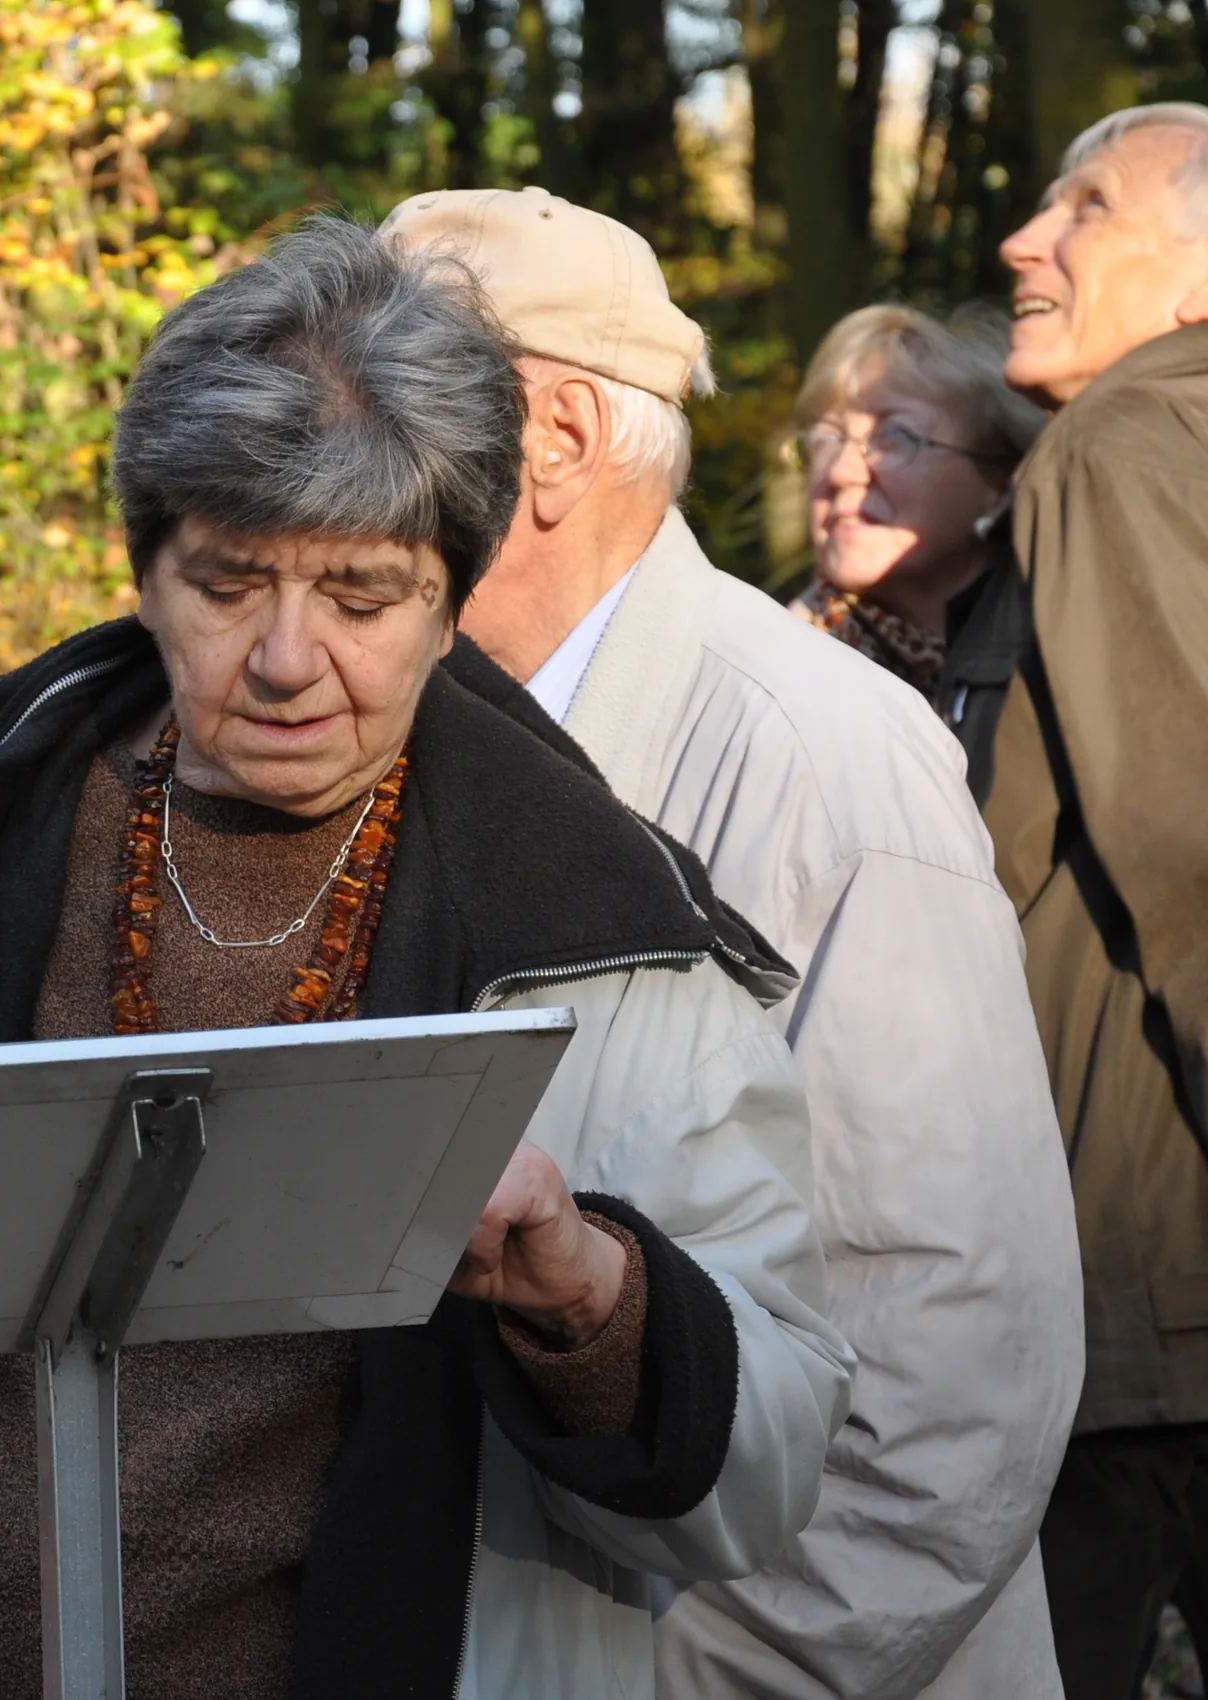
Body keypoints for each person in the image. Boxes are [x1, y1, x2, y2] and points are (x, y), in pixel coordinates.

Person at [0, 215, 849, 1700]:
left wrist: (590, 1298)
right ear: (143, 570)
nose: (290, 658)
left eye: (363, 596)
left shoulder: (605, 941)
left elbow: (769, 1476)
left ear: (453, 602)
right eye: (233, 583)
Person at [376, 185, 1082, 1699]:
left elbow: (947, 1379)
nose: (326, 442)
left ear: (555, 441)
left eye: (386, 392)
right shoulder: (390, 726)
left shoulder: (830, 762)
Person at [984, 100, 1208, 1700]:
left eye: (1088, 210)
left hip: (1148, 1278)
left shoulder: (1128, 440)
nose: (1023, 238)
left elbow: (1192, 847)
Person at [788, 303, 1046, 799]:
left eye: (894, 436)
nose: (841, 472)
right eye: (827, 438)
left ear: (1000, 478)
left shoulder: (1055, 652)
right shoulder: (778, 671)